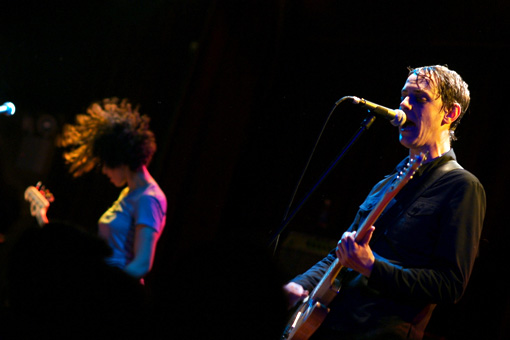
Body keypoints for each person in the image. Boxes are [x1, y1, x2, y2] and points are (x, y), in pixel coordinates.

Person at [283, 65, 486, 340]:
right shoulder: (386, 184)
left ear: (449, 113)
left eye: (420, 97)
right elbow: (340, 255)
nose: (404, 103)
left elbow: (450, 284)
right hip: (329, 326)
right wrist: (299, 284)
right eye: (404, 95)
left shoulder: (462, 187)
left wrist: (372, 267)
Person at [59, 97, 167, 281]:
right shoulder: (129, 193)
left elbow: (142, 264)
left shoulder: (149, 198)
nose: (104, 170)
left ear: (120, 158)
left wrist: (108, 289)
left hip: (118, 299)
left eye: (106, 163)